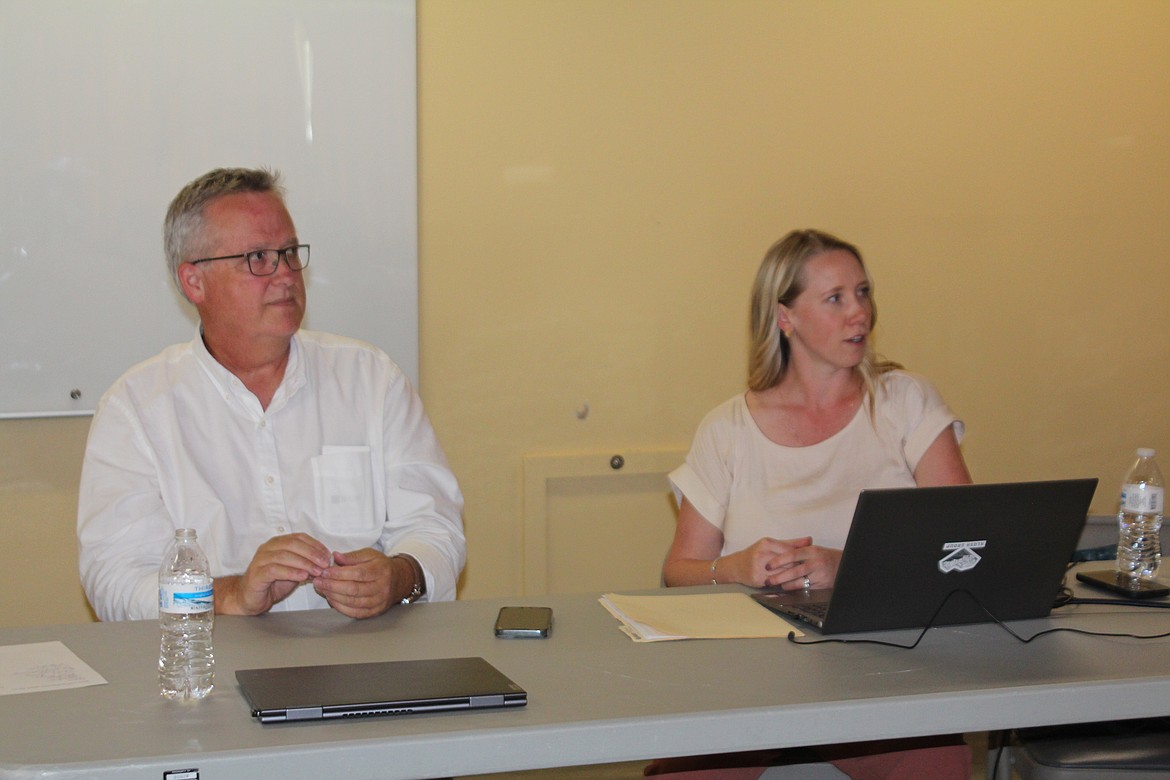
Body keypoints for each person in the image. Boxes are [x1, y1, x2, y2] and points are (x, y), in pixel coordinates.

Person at [651, 229, 973, 779]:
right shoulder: (726, 427)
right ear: (785, 318)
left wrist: (843, 566)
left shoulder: (905, 402)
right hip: (752, 674)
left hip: (882, 667)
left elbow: (968, 546)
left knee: (937, 761)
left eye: (864, 292)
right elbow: (678, 572)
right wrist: (734, 567)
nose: (860, 314)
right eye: (836, 298)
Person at [77, 167, 466, 622]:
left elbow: (436, 528)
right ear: (194, 282)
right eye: (258, 257)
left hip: (361, 665)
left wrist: (400, 577)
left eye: (289, 253)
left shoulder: (370, 378)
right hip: (214, 671)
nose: (284, 274)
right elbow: (115, 582)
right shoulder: (137, 409)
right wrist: (229, 596)